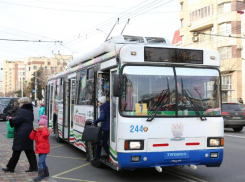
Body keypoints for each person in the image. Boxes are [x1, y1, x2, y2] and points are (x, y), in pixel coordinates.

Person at [2, 97, 38, 173]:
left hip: (22, 133)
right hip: (28, 132)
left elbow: (17, 120)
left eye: (20, 103)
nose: (19, 104)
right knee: (29, 150)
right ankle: (34, 167)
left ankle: (10, 167)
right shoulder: (29, 110)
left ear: (23, 103)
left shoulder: (23, 111)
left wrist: (11, 119)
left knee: (17, 150)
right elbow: (22, 119)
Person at [29, 115, 50, 181]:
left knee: (40, 162)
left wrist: (44, 128)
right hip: (39, 149)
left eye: (42, 125)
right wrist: (34, 131)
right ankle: (46, 173)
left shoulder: (46, 131)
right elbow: (31, 137)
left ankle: (40, 175)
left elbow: (45, 134)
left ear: (45, 126)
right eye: (40, 124)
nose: (40, 126)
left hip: (44, 149)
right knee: (43, 162)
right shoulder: (37, 132)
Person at [91, 96, 110, 161]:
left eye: (99, 102)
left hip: (105, 128)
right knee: (100, 142)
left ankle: (109, 155)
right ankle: (96, 157)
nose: (98, 103)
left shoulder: (102, 107)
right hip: (109, 127)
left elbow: (102, 117)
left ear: (102, 102)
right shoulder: (108, 105)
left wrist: (95, 122)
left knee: (103, 142)